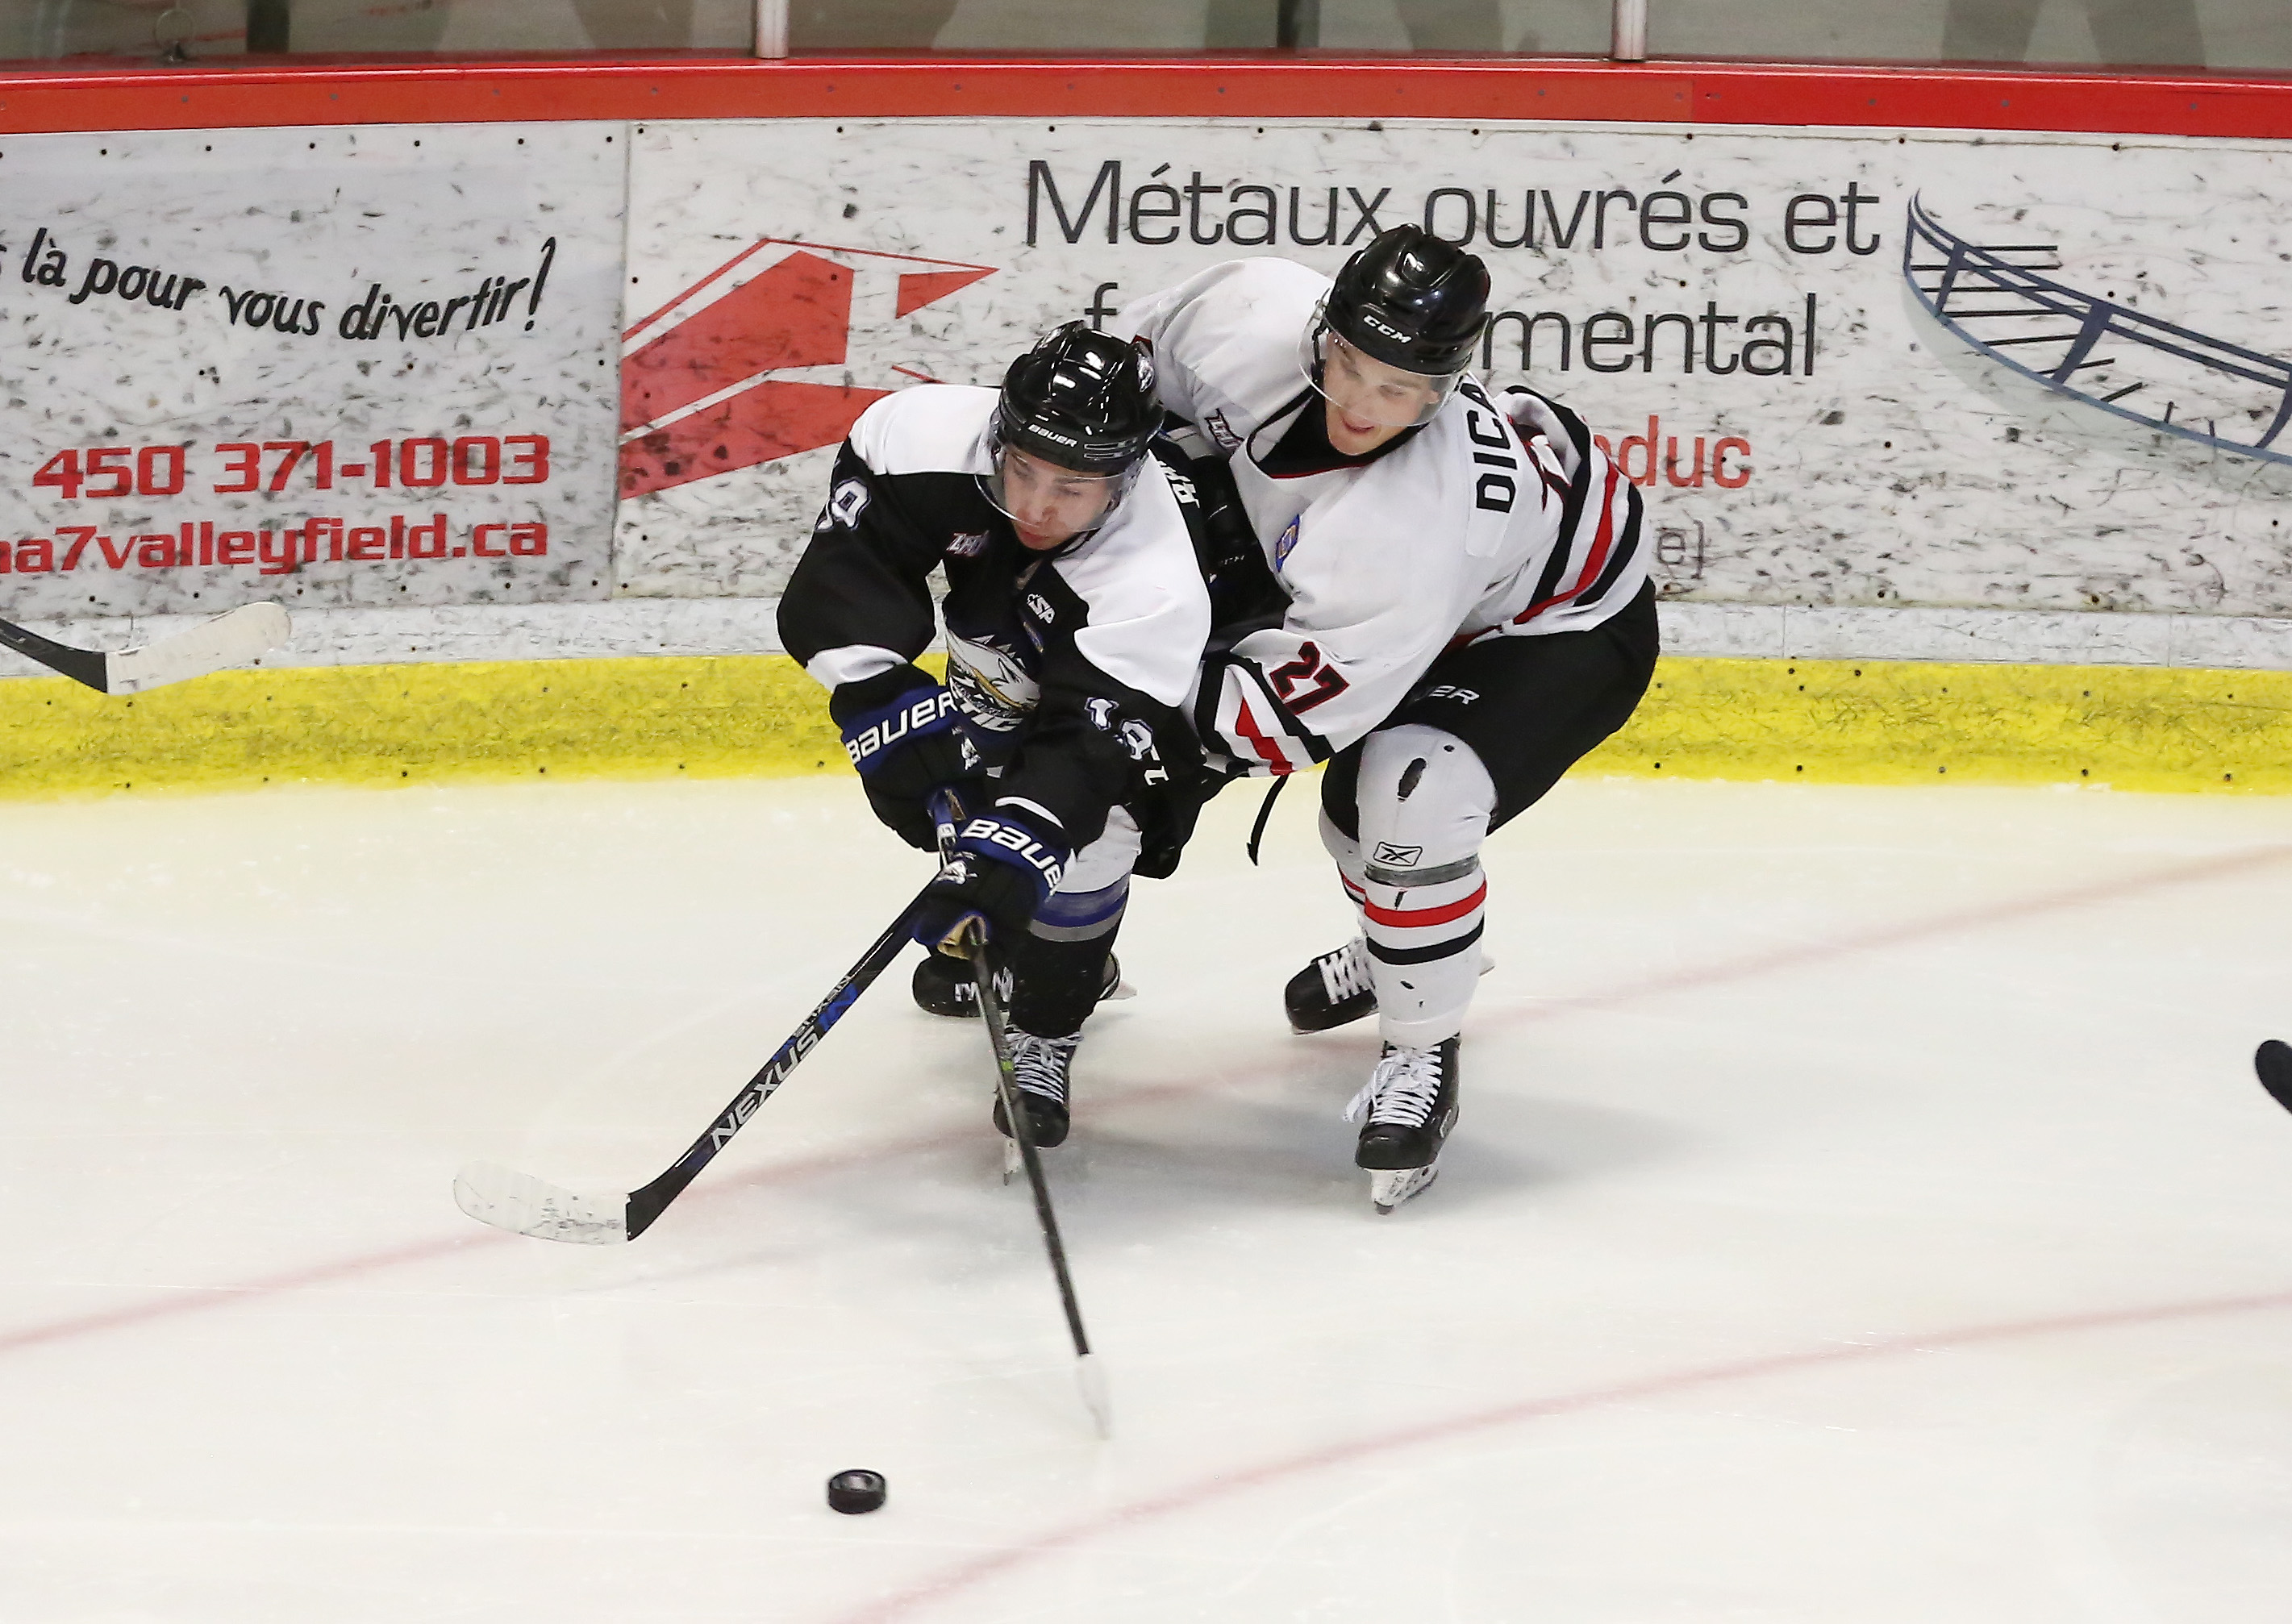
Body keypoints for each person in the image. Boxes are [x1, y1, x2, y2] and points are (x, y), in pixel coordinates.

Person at [1118, 226, 1657, 1211]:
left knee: (1404, 795)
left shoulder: (1410, 524)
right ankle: (1400, 941)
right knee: (1353, 816)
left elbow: (1278, 718)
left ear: (1444, 387)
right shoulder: (1243, 310)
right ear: (1318, 325)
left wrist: (1125, 732)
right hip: (1433, 597)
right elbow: (1117, 385)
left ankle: (1421, 1053)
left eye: (1400, 388)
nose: (1364, 406)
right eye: (1351, 366)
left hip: (1560, 625)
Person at [776, 324, 1213, 1149]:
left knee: (1095, 831)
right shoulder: (922, 438)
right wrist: (879, 700)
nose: (1038, 506)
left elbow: (1085, 755)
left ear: (1122, 480)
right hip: (998, 631)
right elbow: (848, 570)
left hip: (1161, 668)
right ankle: (1005, 936)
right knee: (969, 757)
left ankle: (1048, 1022)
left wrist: (1019, 848)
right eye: (1022, 472)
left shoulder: (1153, 577)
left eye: (1072, 488)